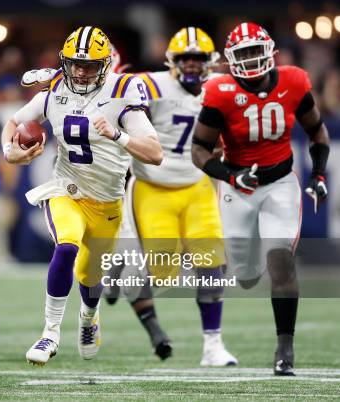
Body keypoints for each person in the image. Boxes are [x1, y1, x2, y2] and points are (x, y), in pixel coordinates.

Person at [3, 26, 163, 365]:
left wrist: (118, 136)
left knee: (91, 279)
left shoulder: (123, 91)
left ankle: (89, 317)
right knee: (66, 247)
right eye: (74, 63)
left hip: (107, 202)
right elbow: (14, 122)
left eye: (89, 65)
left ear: (106, 65)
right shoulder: (54, 89)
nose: (79, 71)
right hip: (66, 189)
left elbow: (154, 152)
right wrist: (10, 151)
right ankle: (49, 335)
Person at [191, 22, 330, 376]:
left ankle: (285, 349)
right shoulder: (219, 91)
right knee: (246, 275)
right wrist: (230, 175)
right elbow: (199, 149)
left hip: (280, 183)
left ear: (271, 53)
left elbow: (317, 130)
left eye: (256, 51)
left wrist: (318, 173)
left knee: (281, 261)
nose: (252, 59)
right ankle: (248, 265)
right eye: (244, 53)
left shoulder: (294, 81)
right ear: (231, 60)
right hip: (238, 186)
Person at [105, 27, 237, 366]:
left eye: (198, 59)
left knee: (212, 263)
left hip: (197, 186)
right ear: (172, 62)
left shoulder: (220, 88)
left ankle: (213, 346)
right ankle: (120, 268)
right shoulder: (152, 84)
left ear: (211, 62)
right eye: (185, 59)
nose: (192, 66)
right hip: (153, 187)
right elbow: (116, 97)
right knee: (162, 271)